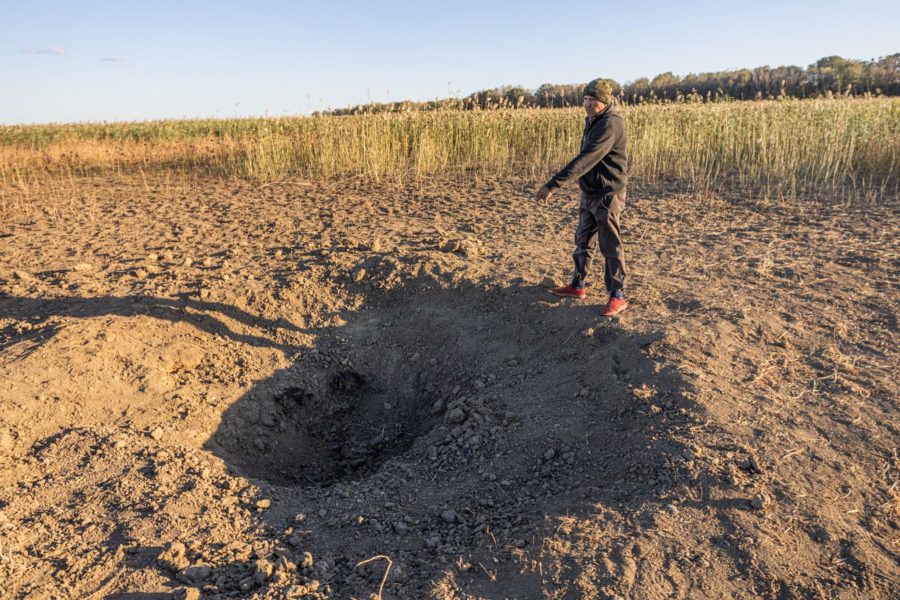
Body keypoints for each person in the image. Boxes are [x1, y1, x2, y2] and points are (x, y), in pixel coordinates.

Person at [536, 78, 628, 317]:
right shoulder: (593, 119)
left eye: (592, 100)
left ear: (604, 101)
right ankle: (578, 285)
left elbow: (587, 158)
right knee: (582, 240)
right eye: (585, 99)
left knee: (609, 245)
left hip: (608, 194)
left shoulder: (610, 124)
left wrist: (553, 185)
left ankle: (617, 295)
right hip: (589, 192)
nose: (587, 104)